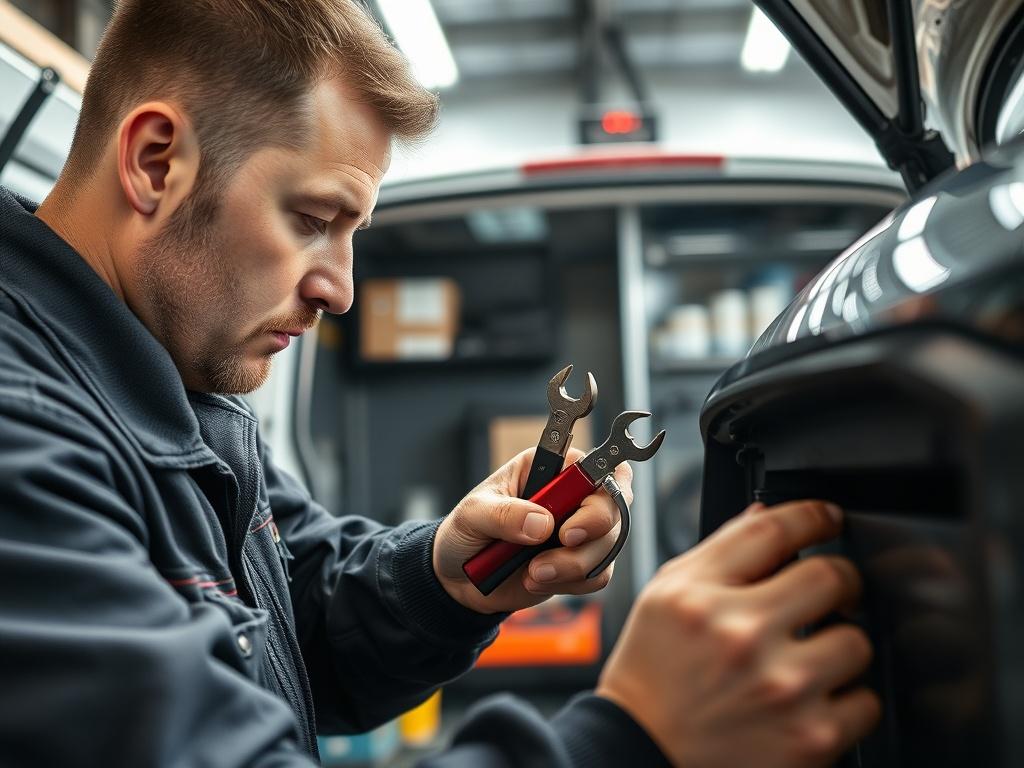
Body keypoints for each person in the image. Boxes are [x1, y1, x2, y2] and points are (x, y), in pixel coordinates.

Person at [0, 1, 879, 765]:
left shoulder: (183, 392)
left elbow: (297, 618)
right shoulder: (25, 431)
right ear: (156, 162)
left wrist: (444, 576)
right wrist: (634, 738)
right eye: (312, 220)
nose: (339, 288)